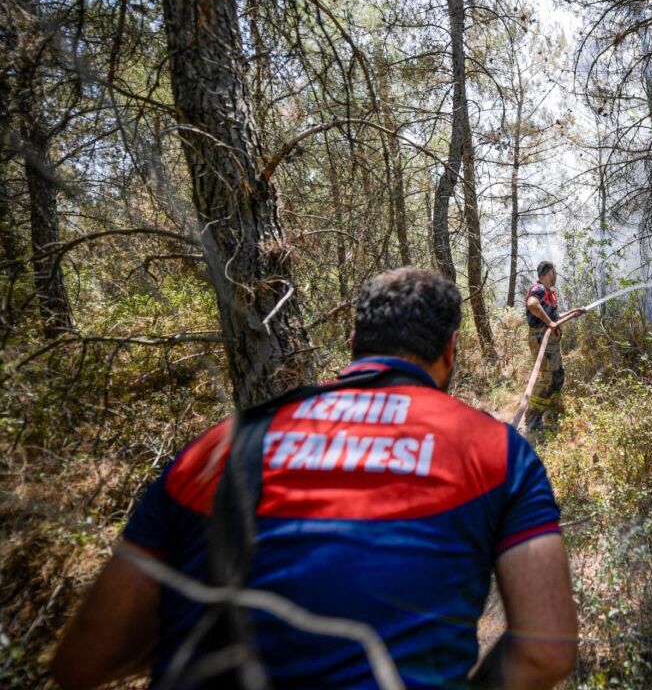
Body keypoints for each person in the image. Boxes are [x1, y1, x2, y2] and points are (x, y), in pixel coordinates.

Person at [52, 268, 577, 690]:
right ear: (451, 350)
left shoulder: (217, 449)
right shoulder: (496, 453)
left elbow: (83, 661)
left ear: (353, 343)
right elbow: (544, 652)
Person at [523, 261, 582, 433]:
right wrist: (549, 322)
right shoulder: (539, 289)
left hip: (550, 343)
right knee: (547, 379)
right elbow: (532, 304)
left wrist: (572, 313)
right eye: (554, 271)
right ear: (549, 272)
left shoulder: (549, 294)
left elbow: (555, 318)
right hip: (542, 340)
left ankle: (548, 413)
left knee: (557, 376)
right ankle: (532, 420)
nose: (556, 274)